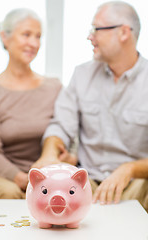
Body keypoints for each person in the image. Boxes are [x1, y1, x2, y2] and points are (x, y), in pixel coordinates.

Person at [32, 1, 148, 212]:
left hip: (138, 183)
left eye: (96, 29)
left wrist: (129, 169)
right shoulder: (82, 74)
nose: (89, 36)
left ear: (123, 32)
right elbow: (60, 125)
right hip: (86, 183)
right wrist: (49, 152)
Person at [0, 8, 76, 199]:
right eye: (26, 35)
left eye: (38, 37)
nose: (34, 43)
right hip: (3, 175)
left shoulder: (54, 87)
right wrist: (25, 180)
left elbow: (69, 130)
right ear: (5, 37)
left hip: (49, 175)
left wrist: (70, 157)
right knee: (9, 192)